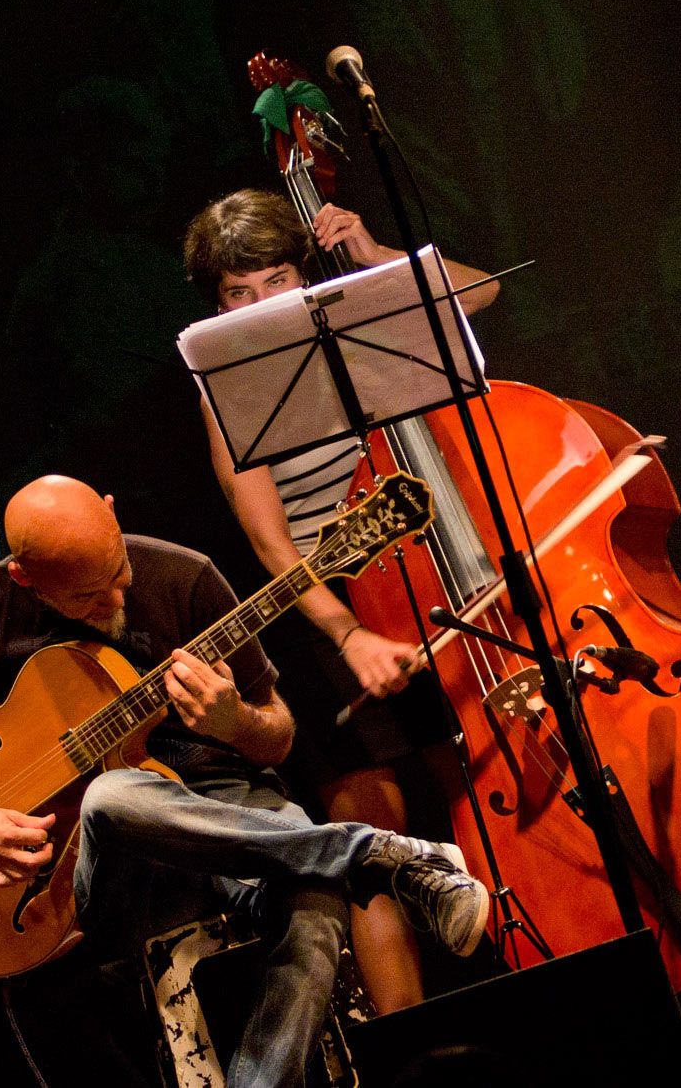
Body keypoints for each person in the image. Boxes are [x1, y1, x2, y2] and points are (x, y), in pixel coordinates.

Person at [0, 475, 490, 1088]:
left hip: (224, 803)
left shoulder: (186, 576)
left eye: (119, 574)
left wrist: (233, 721)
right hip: (93, 860)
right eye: (88, 595)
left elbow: (279, 733)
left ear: (114, 515)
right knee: (113, 795)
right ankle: (376, 853)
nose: (115, 598)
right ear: (26, 579)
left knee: (314, 907)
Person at [184, 188, 497, 1012]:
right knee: (371, 834)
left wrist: (370, 253)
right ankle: (410, 1053)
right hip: (319, 609)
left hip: (423, 578)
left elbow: (480, 294)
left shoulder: (354, 329)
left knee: (483, 790)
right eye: (236, 295)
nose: (260, 307)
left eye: (278, 279)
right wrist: (348, 631)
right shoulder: (227, 392)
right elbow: (271, 546)